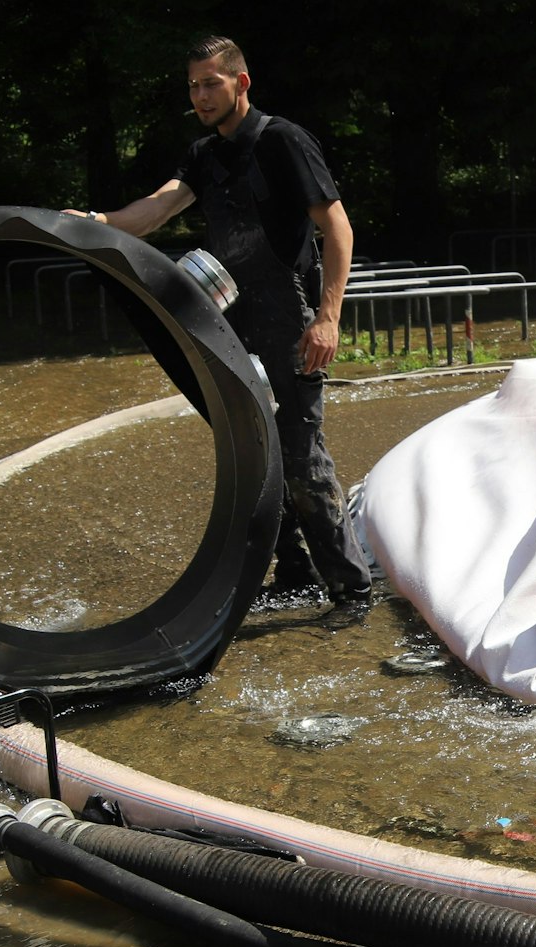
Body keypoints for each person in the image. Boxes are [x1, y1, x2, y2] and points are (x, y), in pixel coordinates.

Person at [69, 35, 372, 604]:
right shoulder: (203, 156)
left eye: (212, 82)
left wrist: (328, 317)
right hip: (231, 317)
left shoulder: (283, 141)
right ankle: (293, 572)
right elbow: (155, 209)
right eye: (193, 85)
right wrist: (92, 221)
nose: (201, 96)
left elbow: (338, 229)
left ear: (241, 82)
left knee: (302, 454)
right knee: (252, 447)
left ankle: (350, 591)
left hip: (293, 317)